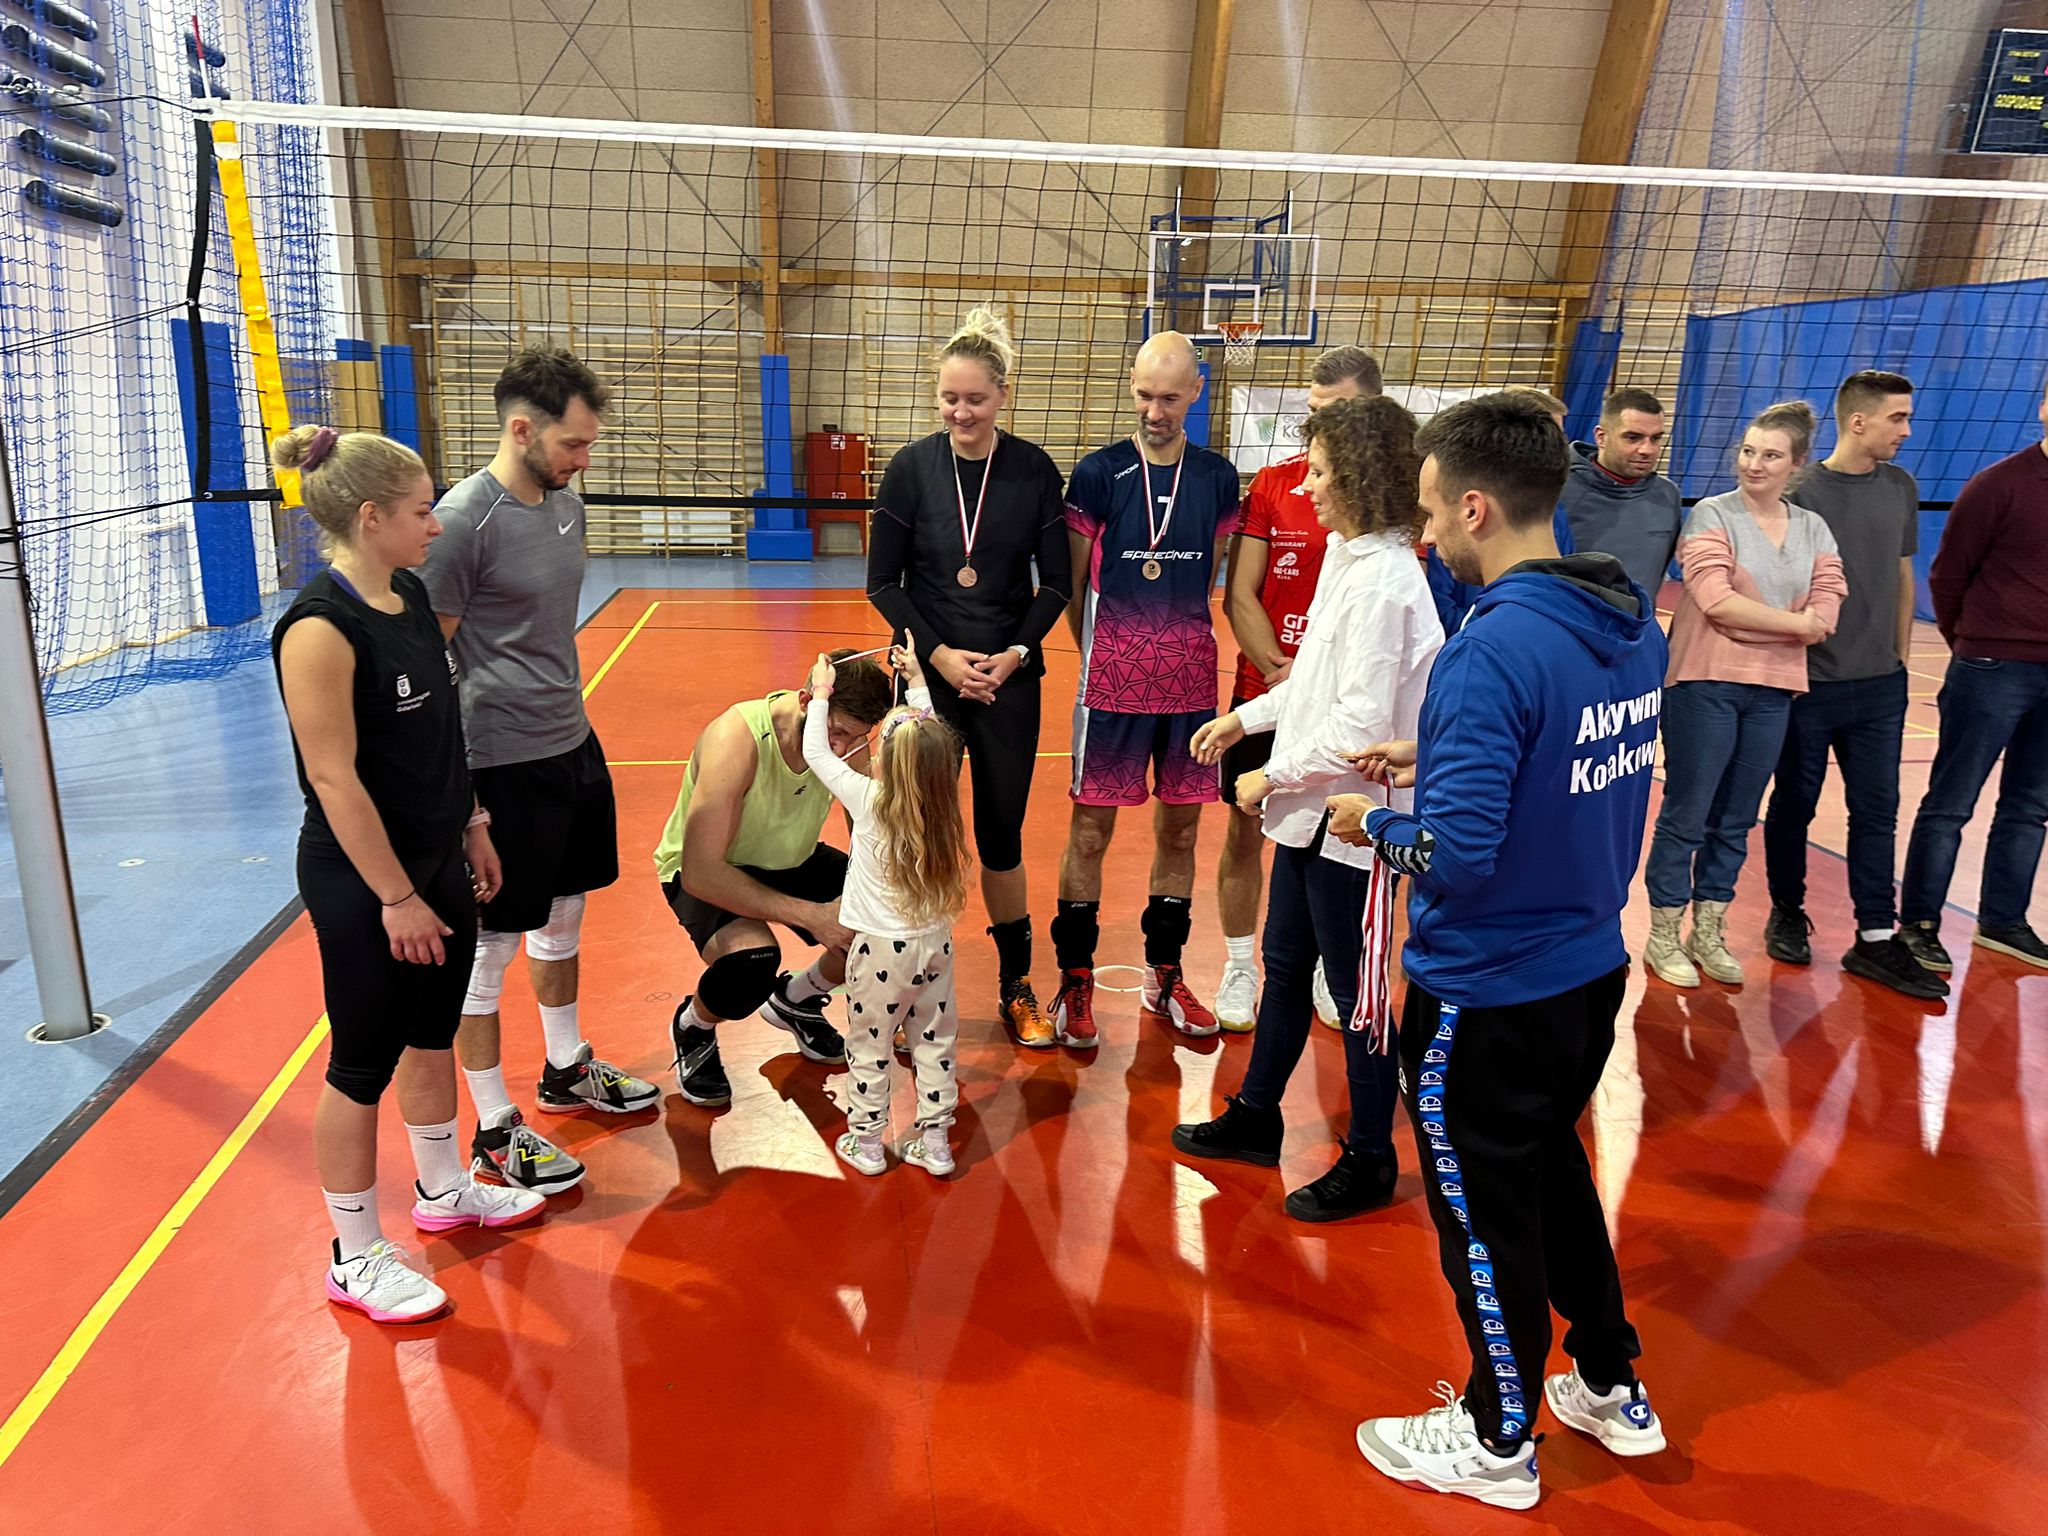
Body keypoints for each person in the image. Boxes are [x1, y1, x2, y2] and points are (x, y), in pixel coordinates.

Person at [1333, 392, 1669, 1510]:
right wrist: (1434, 752)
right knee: (1551, 1170)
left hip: (1486, 991)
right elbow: (1549, 765)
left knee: (1482, 1212)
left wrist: (1373, 824)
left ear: (1475, 507)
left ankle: (1496, 1436)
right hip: (1587, 970)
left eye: (1433, 511)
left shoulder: (1489, 650)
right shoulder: (1627, 625)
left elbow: (1459, 857)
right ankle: (1609, 1382)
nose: (1427, 534)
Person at [272, 425, 545, 1326]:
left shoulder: (414, 595)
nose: (436, 525)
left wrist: (472, 821)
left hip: (438, 856)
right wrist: (395, 897)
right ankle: (354, 1254)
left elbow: (441, 732)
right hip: (366, 881)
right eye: (423, 511)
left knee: (433, 1034)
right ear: (370, 516)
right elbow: (333, 779)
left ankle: (443, 1190)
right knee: (361, 1063)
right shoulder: (320, 629)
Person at [1173, 395, 1442, 1222]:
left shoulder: (1388, 583)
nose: (1308, 486)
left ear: (1360, 477)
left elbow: (1358, 730)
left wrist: (1269, 776)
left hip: (1357, 824)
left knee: (1359, 996)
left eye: (1321, 471)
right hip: (1313, 815)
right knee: (1287, 966)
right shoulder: (1347, 559)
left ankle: (1369, 1157)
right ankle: (1258, 1117)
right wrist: (1244, 720)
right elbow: (1311, 685)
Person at [420, 346, 657, 1201]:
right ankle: (492, 1126)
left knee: (564, 917)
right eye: (573, 444)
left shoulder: (565, 503)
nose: (583, 460)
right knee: (489, 951)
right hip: (500, 761)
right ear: (521, 430)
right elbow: (431, 668)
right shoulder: (462, 523)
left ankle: (566, 1067)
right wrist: (465, 804)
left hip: (569, 742)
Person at [866, 305, 1072, 1048]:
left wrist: (1013, 653)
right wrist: (939, 655)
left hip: (1008, 679)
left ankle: (1016, 985)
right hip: (928, 679)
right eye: (949, 398)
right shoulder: (909, 469)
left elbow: (1056, 584)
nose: (961, 412)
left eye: (976, 399)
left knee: (1001, 836)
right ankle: (903, 989)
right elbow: (882, 583)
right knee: (915, 833)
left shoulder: (1034, 470)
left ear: (1003, 395)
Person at [1050, 331, 1244, 1046]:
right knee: (1090, 833)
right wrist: (1105, 656)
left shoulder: (1218, 477)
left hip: (1190, 683)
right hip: (1112, 684)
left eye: (1168, 398)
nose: (1154, 412)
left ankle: (1165, 973)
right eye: (1143, 396)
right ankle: (1075, 979)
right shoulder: (1098, 473)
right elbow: (1073, 585)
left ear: (1196, 392)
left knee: (1183, 830)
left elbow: (1211, 576)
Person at [1642, 401, 1848, 988]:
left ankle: (1708, 930)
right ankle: (1663, 934)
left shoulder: (1812, 528)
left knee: (1736, 819)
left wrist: (1780, 622)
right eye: (1748, 451)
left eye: (1771, 455)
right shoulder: (1712, 513)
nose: (1754, 464)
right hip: (1704, 681)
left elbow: (1830, 593)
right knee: (1687, 814)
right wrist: (1796, 626)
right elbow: (1715, 600)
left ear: (1797, 463)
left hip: (1774, 690)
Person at [1212, 344, 1385, 1033]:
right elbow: (1240, 593)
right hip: (1270, 686)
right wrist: (1289, 674)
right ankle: (1238, 964)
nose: (1319, 425)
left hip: (1348, 706)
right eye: (1313, 412)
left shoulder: (1387, 509)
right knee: (1245, 825)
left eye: (1335, 411)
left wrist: (1317, 684)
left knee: (1341, 837)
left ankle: (1325, 961)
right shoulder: (1277, 484)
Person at [1761, 371, 1944, 998]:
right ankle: (1787, 911)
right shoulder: (1801, 493)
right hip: (1810, 686)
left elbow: (1901, 574)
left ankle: (1875, 937)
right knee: (1795, 805)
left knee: (1877, 813)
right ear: (1858, 421)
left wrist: (1899, 659)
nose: (1907, 430)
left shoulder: (1900, 487)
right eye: (1898, 418)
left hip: (1880, 687)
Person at [656, 650, 896, 1105]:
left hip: (792, 857)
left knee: (885, 922)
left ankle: (796, 998)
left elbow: (867, 827)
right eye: (836, 732)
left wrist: (879, 897)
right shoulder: (737, 738)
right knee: (752, 964)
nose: (842, 750)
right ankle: (694, 1026)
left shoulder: (847, 741)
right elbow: (702, 873)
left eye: (856, 737)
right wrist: (814, 916)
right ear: (808, 701)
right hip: (711, 868)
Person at [801, 648, 972, 1177]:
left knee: (870, 1046)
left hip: (880, 951)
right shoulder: (940, 801)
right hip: (935, 944)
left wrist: (821, 694)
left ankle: (868, 1142)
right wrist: (917, 680)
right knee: (934, 1042)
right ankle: (937, 1143)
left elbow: (816, 753)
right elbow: (929, 736)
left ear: (886, 762)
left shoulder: (872, 800)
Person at [1897, 383, 2048, 973]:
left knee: (2030, 806)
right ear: (2044, 407)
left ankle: (2003, 921)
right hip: (1992, 668)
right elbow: (1948, 575)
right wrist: (1973, 644)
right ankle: (1920, 925)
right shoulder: (1998, 485)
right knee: (1950, 804)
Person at [1424, 386, 1576, 635]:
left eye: (1559, 439)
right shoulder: (1449, 516)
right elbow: (1436, 610)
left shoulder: (1555, 514)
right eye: (1543, 437)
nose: (1554, 451)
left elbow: (1562, 584)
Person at [1560, 387, 1682, 600]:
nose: (1646, 450)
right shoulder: (1557, 490)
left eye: (1655, 438)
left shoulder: (1668, 495)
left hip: (1637, 622)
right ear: (1601, 437)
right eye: (1633, 438)